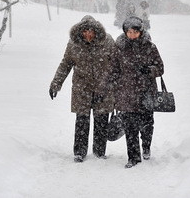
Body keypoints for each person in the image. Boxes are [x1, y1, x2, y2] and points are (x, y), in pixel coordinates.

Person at [49, 15, 116, 162]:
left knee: (101, 121)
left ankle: (99, 151)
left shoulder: (108, 41)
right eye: (85, 31)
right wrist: (56, 83)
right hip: (82, 89)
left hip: (103, 89)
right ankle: (79, 152)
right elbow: (65, 64)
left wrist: (115, 85)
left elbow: (115, 65)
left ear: (97, 31)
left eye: (91, 31)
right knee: (82, 121)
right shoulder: (73, 44)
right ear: (80, 31)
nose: (88, 34)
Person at [110, 16, 164, 169]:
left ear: (140, 31)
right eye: (129, 32)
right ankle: (133, 157)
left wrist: (150, 70)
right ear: (125, 32)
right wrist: (112, 86)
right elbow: (114, 69)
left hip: (146, 92)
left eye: (135, 32)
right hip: (126, 93)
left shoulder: (150, 47)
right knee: (130, 127)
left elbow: (160, 68)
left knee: (147, 124)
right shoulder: (119, 47)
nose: (132, 35)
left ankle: (146, 146)